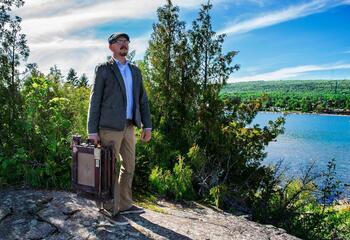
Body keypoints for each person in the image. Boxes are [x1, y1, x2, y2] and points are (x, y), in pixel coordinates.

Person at [87, 32, 152, 225]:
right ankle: (109, 209)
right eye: (119, 42)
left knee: (129, 166)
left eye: (126, 42)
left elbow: (143, 100)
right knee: (109, 169)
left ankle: (124, 204)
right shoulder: (103, 70)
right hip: (109, 128)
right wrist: (92, 131)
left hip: (130, 126)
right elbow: (95, 101)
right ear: (111, 47)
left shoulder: (135, 71)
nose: (124, 44)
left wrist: (147, 125)